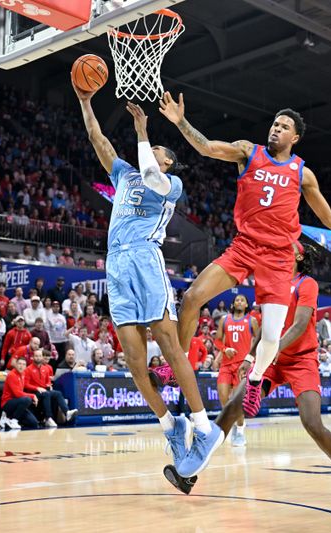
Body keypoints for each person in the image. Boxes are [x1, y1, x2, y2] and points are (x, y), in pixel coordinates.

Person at [159, 94, 331, 421]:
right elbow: (207, 147)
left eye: (284, 127)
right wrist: (180, 122)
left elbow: (330, 219)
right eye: (274, 124)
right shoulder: (247, 151)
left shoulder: (302, 174)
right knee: (193, 297)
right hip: (244, 246)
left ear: (294, 138)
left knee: (270, 337)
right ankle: (176, 365)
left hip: (279, 258)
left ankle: (255, 380)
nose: (276, 130)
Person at [75, 86, 221, 478]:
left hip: (144, 258)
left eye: (159, 148)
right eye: (150, 145)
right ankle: (172, 426)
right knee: (135, 365)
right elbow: (97, 139)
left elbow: (153, 173)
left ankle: (205, 428)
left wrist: (143, 130)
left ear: (169, 161)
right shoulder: (124, 173)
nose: (153, 149)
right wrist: (86, 101)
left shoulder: (171, 186)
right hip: (116, 266)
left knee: (171, 347)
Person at [223, 242, 331, 500]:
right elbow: (266, 327)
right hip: (273, 360)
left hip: (301, 360)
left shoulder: (306, 283)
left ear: (298, 256)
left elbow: (299, 325)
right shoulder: (272, 284)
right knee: (235, 402)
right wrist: (250, 356)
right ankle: (194, 465)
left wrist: (274, 348)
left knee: (312, 422)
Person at [213, 294, 258, 447]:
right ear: (233, 304)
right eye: (237, 300)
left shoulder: (251, 321)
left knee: (238, 401)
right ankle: (232, 423)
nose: (239, 301)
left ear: (246, 305)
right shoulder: (224, 319)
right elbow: (217, 340)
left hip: (242, 366)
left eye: (242, 300)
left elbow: (259, 342)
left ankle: (239, 430)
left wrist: (252, 359)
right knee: (224, 397)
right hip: (226, 364)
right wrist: (225, 349)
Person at [24, 349, 77, 427]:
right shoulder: (28, 369)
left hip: (44, 390)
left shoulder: (45, 369)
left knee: (58, 393)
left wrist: (49, 385)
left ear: (42, 357)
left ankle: (67, 412)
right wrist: (37, 388)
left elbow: (47, 381)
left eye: (39, 356)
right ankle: (48, 418)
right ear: (32, 357)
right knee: (46, 394)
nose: (38, 358)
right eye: (36, 356)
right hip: (34, 392)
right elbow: (25, 384)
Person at [0, 355, 39, 430]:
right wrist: (32, 395)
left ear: (26, 366)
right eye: (19, 364)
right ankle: (13, 420)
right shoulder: (12, 375)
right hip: (7, 403)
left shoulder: (23, 374)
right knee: (27, 399)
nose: (21, 366)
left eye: (24, 364)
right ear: (16, 365)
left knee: (33, 422)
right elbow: (17, 393)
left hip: (18, 403)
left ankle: (8, 418)